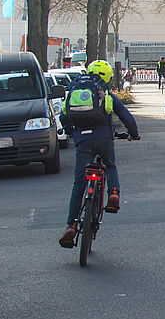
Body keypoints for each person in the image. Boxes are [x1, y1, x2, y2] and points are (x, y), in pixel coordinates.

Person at [58, 60, 139, 248]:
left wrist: (72, 132)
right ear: (108, 77)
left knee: (79, 183)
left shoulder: (76, 93)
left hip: (82, 141)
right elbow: (125, 115)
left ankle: (71, 225)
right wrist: (133, 134)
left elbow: (63, 116)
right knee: (110, 165)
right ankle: (114, 194)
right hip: (104, 139)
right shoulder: (105, 94)